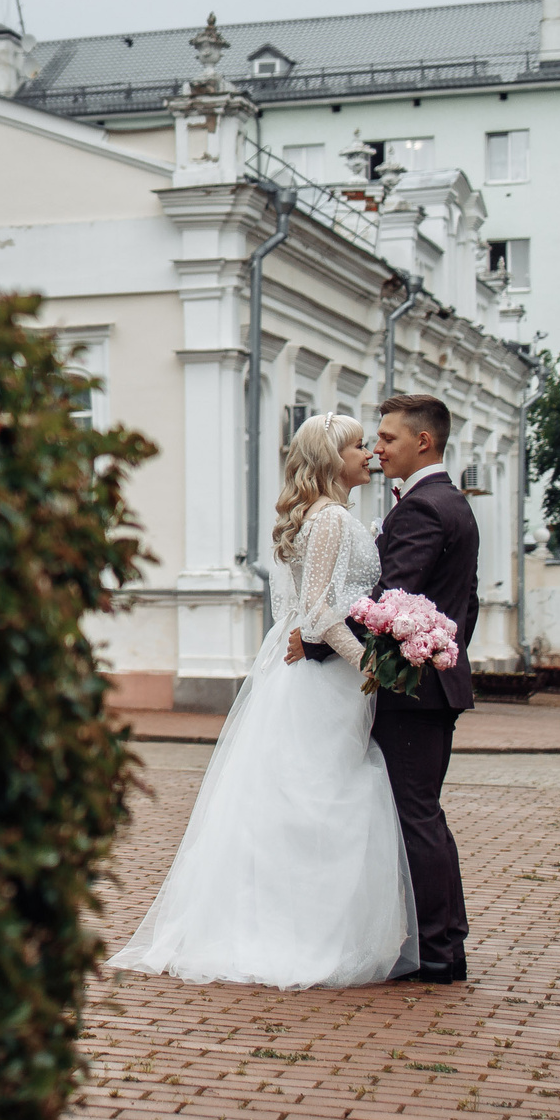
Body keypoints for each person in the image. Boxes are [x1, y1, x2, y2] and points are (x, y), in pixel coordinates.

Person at [106, 414, 418, 990]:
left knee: (304, 798)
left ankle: (304, 927)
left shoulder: (329, 516)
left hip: (319, 673)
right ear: (331, 459)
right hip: (322, 680)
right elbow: (318, 612)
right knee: (317, 799)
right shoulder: (329, 520)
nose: (369, 454)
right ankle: (297, 935)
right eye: (357, 446)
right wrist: (369, 665)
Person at [292, 392, 476, 984]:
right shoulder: (450, 501)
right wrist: (445, 653)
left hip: (410, 688)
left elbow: (387, 601)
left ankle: (439, 949)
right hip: (431, 681)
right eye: (371, 440)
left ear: (423, 441)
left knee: (415, 816)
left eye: (387, 438)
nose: (377, 450)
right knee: (420, 814)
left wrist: (316, 642)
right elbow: (464, 603)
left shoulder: (424, 508)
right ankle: (440, 943)